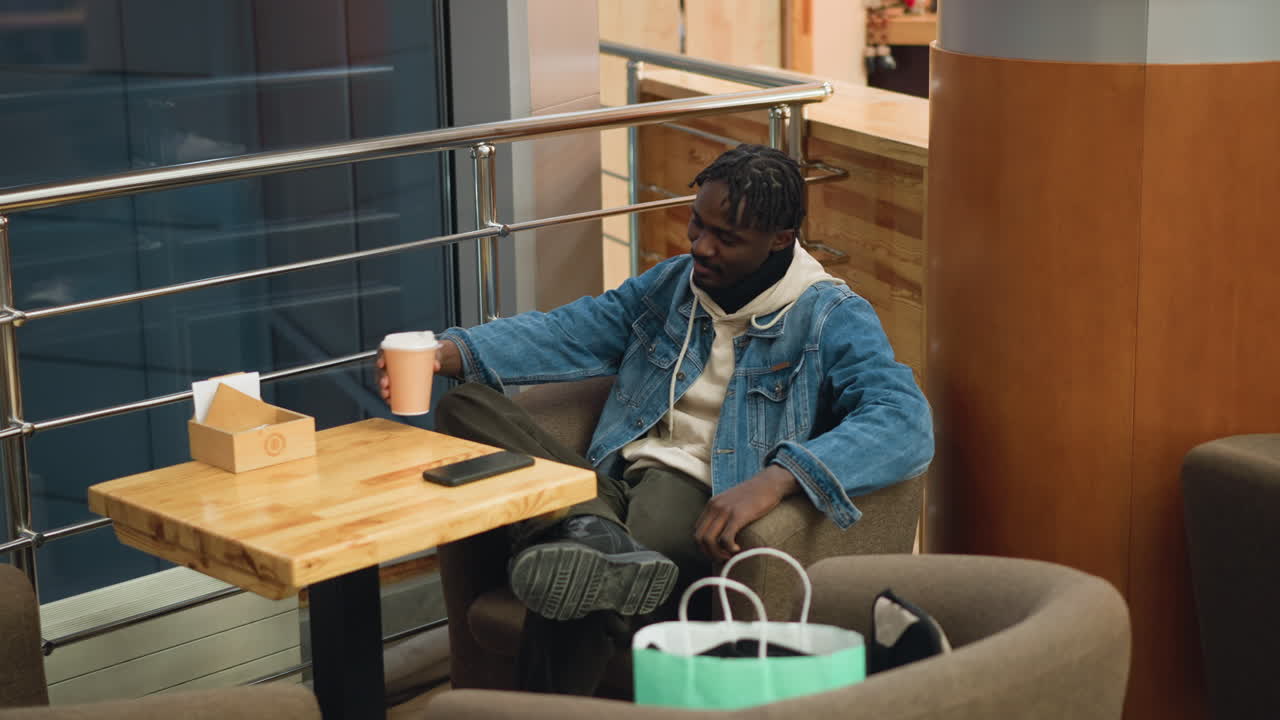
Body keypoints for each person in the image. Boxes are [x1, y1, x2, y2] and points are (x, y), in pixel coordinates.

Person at [378, 144, 933, 694]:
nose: (702, 248)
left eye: (726, 238)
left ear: (780, 240)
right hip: (613, 476)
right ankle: (593, 528)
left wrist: (777, 478)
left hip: (692, 493)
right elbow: (573, 329)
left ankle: (585, 542)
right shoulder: (673, 286)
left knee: (579, 590)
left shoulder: (828, 316)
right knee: (463, 405)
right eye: (697, 226)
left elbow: (903, 419)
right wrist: (444, 353)